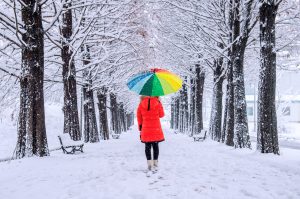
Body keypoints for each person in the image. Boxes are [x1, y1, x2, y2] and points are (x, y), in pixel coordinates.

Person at [137, 96, 165, 173]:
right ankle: (155, 164)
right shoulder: (157, 102)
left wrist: (140, 128)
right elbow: (161, 115)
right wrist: (160, 103)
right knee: (155, 146)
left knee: (147, 146)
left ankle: (149, 164)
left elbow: (139, 117)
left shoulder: (141, 104)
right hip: (156, 128)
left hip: (145, 128)